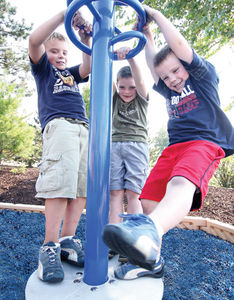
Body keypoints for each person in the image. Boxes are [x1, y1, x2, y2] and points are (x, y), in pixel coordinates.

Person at [103, 5, 234, 280]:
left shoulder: (202, 77)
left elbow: (179, 45)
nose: (172, 79)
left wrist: (156, 16)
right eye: (166, 76)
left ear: (187, 65)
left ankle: (149, 232)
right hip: (174, 147)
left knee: (180, 183)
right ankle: (150, 261)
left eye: (176, 71)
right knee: (149, 200)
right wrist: (147, 34)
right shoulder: (165, 83)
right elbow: (154, 65)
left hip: (204, 143)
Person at [29, 10, 92, 283]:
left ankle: (68, 239)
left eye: (64, 52)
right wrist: (66, 14)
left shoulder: (70, 75)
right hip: (59, 126)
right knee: (59, 183)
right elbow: (34, 41)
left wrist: (84, 38)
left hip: (82, 127)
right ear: (46, 55)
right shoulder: (44, 71)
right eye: (54, 51)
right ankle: (50, 246)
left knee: (80, 186)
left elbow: (88, 67)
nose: (61, 56)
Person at [108, 47, 149, 260]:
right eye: (122, 86)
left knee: (133, 193)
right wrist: (110, 56)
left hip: (136, 145)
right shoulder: (114, 98)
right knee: (115, 193)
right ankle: (116, 240)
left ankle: (132, 240)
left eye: (130, 87)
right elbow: (107, 78)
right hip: (114, 145)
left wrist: (131, 57)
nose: (126, 91)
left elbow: (140, 80)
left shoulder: (141, 98)